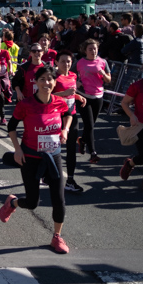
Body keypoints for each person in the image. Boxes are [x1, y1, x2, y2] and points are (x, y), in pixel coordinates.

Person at [0, 66, 72, 254]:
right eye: (42, 79)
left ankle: (57, 237)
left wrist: (65, 129)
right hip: (31, 156)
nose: (46, 83)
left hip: (53, 156)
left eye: (50, 79)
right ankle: (12, 203)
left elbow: (68, 115)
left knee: (59, 198)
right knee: (32, 202)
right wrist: (17, 149)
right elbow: (11, 126)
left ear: (54, 82)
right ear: (36, 82)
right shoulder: (26, 104)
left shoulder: (60, 102)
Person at [119, 56, 143, 193]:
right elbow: (124, 103)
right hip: (142, 126)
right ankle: (130, 163)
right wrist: (132, 115)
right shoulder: (137, 86)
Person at [53, 51, 86, 193]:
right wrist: (63, 94)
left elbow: (70, 93)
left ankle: (70, 180)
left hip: (71, 116)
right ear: (56, 62)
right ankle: (47, 174)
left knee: (71, 149)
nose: (66, 64)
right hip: (55, 117)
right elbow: (47, 96)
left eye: (68, 61)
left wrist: (77, 97)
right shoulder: (53, 76)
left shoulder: (73, 75)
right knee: (53, 148)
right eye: (63, 61)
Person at [76, 39, 111, 164]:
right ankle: (93, 153)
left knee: (90, 125)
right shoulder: (80, 62)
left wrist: (103, 74)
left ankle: (82, 140)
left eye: (95, 48)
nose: (93, 51)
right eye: (90, 49)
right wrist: (76, 82)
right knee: (89, 125)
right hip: (83, 96)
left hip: (98, 96)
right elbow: (69, 74)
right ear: (85, 50)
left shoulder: (103, 62)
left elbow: (108, 80)